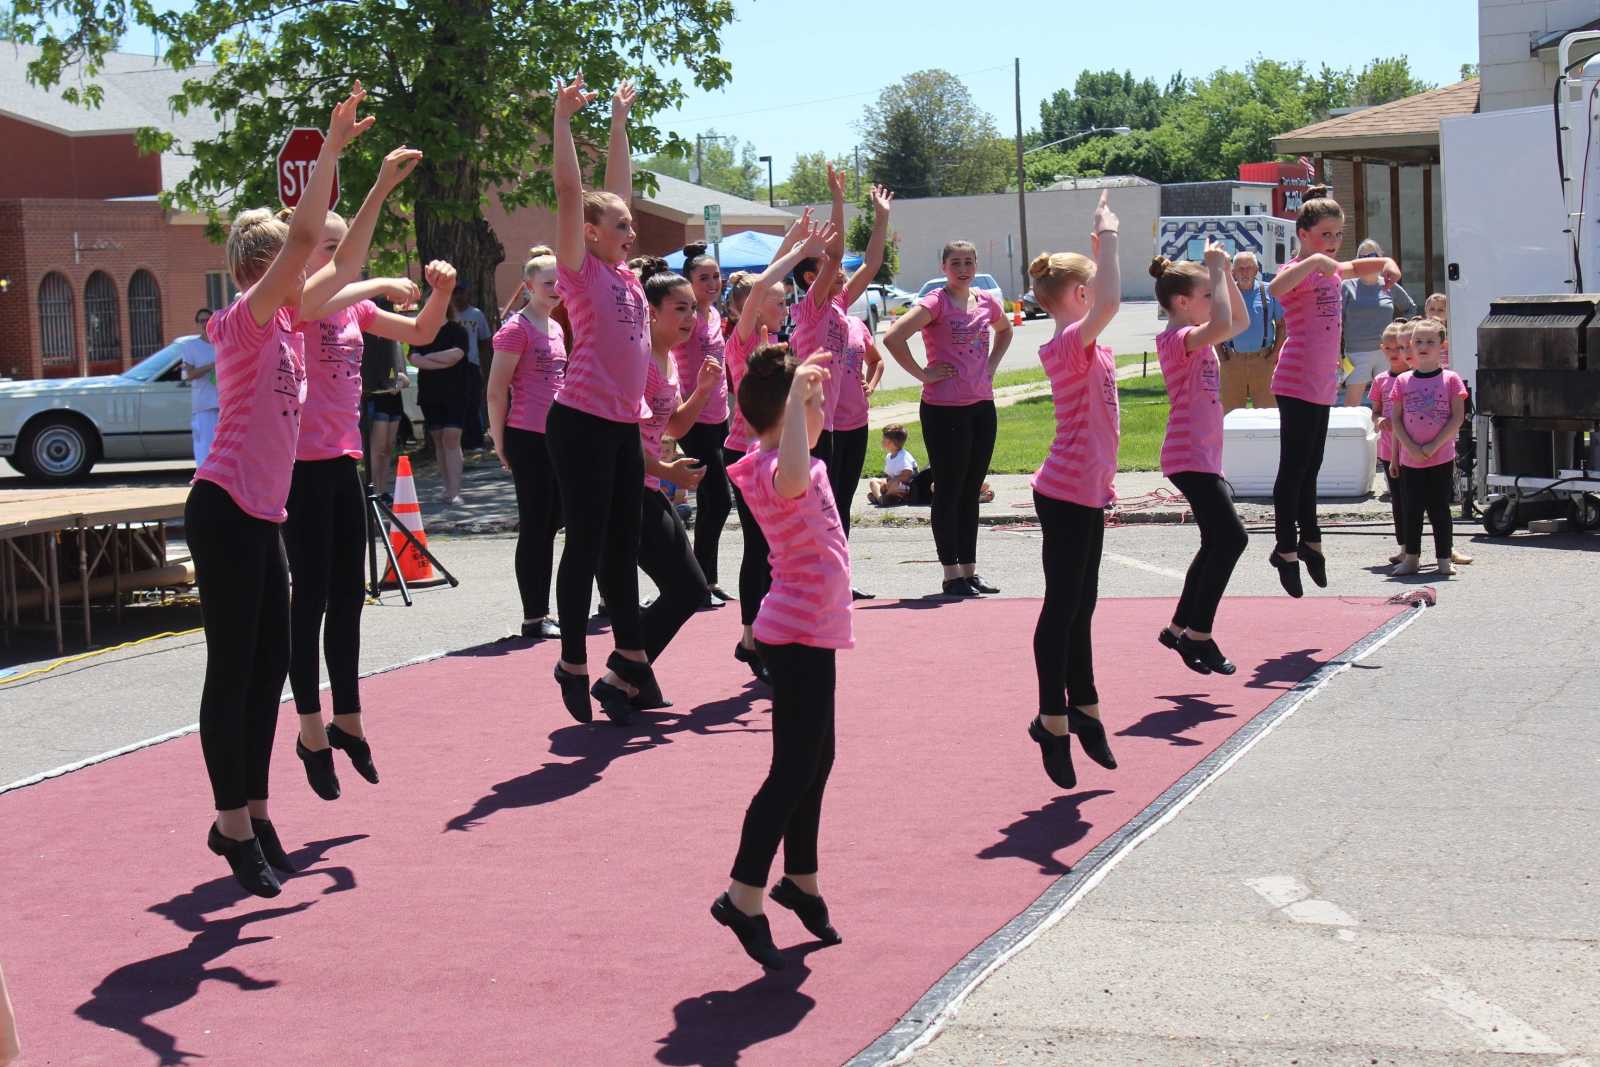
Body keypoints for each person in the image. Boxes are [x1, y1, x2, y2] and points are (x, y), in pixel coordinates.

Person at [185, 84, 381, 897]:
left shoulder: (294, 322)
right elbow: (307, 239)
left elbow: (346, 262)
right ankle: (229, 820)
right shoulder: (246, 318)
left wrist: (378, 188)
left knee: (268, 668)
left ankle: (257, 812)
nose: (312, 271)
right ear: (261, 271)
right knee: (233, 668)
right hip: (224, 507)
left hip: (263, 514)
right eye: (296, 265)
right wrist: (330, 149)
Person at [285, 205, 455, 803]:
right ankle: (310, 730)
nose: (341, 257)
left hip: (343, 462)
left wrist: (441, 292)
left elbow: (420, 333)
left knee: (349, 597)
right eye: (329, 247)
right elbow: (313, 302)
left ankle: (349, 720)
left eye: (344, 246)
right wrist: (379, 279)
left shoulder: (353, 307)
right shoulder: (290, 301)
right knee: (308, 600)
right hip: (298, 468)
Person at [713, 344, 851, 971]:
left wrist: (798, 396)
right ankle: (743, 895)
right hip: (795, 637)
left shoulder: (799, 463)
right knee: (792, 770)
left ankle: (801, 879)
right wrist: (797, 401)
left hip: (813, 634)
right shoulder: (773, 468)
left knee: (817, 759)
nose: (824, 413)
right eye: (815, 405)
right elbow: (790, 469)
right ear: (789, 413)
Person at [546, 76, 665, 723]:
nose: (631, 229)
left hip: (621, 424)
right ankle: (572, 659)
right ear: (589, 234)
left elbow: (618, 190)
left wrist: (619, 122)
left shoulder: (623, 274)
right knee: (587, 543)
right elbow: (574, 193)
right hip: (581, 422)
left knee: (624, 543)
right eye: (620, 225)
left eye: (631, 224)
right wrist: (563, 120)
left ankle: (631, 656)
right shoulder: (580, 268)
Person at [587, 261, 725, 724]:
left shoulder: (667, 359)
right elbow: (620, 440)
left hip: (645, 485)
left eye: (693, 309)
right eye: (680, 308)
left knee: (688, 588)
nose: (690, 317)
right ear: (652, 311)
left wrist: (703, 390)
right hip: (622, 489)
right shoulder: (639, 360)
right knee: (688, 588)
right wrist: (667, 470)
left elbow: (675, 426)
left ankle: (628, 678)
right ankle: (623, 676)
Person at [1025, 191, 1122, 792]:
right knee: (1062, 606)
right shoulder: (1065, 344)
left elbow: (1102, 299)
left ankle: (1084, 705)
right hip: (1063, 492)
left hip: (1087, 491)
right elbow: (1110, 300)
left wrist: (1097, 251)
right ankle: (1051, 719)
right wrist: (1108, 235)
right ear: (1080, 296)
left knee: (1083, 603)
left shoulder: (1090, 345)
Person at [1265, 187, 1401, 598]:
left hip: (1322, 381)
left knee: (1312, 467)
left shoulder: (1331, 268)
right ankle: (1285, 548)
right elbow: (1275, 289)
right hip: (1296, 378)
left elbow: (1359, 264)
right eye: (1325, 234)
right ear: (1303, 234)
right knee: (1293, 468)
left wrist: (1387, 262)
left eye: (1338, 234)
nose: (1333, 241)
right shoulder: (1299, 268)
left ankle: (1311, 540)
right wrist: (1316, 261)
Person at [720, 214, 834, 684]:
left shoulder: (772, 339)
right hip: (746, 453)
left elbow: (766, 281)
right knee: (759, 547)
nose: (786, 307)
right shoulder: (743, 340)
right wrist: (800, 249)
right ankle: (752, 638)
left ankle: (765, 634)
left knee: (775, 546)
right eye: (780, 301)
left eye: (788, 301)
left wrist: (794, 241)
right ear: (750, 306)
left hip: (774, 451)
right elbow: (764, 283)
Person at [880, 232, 1013, 598]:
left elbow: (1005, 331)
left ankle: (969, 571)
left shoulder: (986, 301)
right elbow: (893, 337)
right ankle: (951, 573)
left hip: (981, 406)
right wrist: (923, 374)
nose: (963, 269)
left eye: (969, 262)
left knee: (971, 490)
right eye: (956, 263)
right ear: (944, 267)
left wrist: (991, 365)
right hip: (943, 410)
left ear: (977, 265)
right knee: (949, 491)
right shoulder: (935, 302)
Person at [1152, 244, 1250, 676]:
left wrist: (1223, 274)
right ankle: (1198, 635)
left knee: (1216, 542)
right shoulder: (1178, 340)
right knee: (1232, 539)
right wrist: (1214, 267)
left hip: (1203, 456)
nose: (1213, 301)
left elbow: (1240, 322)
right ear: (1181, 302)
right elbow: (1226, 323)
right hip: (1187, 455)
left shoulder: (1196, 334)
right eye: (1206, 295)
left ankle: (1177, 628)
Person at [795, 181, 891, 600]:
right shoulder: (812, 310)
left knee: (842, 502)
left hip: (852, 423)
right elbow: (834, 255)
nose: (840, 270)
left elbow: (871, 263)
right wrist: (837, 200)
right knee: (820, 504)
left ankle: (838, 577)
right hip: (820, 426)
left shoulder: (842, 310)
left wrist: (881, 217)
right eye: (829, 268)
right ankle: (813, 579)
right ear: (812, 278)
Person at [489, 246, 568, 641]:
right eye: (548, 283)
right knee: (536, 526)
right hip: (527, 436)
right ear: (528, 287)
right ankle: (534, 615)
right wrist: (500, 441)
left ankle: (547, 610)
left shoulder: (555, 327)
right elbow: (496, 391)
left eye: (559, 282)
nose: (555, 289)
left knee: (555, 521)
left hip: (557, 438)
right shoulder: (516, 329)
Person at [673, 243, 736, 604]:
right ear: (689, 282)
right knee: (719, 500)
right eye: (703, 278)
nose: (712, 283)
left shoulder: (714, 313)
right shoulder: (688, 316)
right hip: (693, 415)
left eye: (716, 277)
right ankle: (699, 581)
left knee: (714, 502)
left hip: (719, 415)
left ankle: (705, 581)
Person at [1389, 318, 1467, 577]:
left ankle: (1444, 558)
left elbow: (1457, 417)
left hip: (1441, 456)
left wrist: (1434, 445)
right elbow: (1396, 419)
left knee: (1439, 509)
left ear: (1441, 345)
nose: (1424, 346)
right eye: (1419, 341)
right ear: (1411, 345)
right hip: (1411, 459)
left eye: (1430, 342)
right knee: (1411, 509)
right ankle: (1411, 558)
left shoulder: (1451, 379)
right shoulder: (1402, 381)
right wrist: (1409, 448)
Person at [1339, 238, 1415, 406]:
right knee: (1351, 405)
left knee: (1390, 403)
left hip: (1387, 352)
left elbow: (1410, 308)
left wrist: (1400, 331)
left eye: (1371, 256)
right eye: (1362, 257)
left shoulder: (1389, 285)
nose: (1367, 261)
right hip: (1356, 354)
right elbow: (1336, 320)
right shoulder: (1346, 286)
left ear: (1380, 259)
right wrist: (1337, 352)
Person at [360, 296, 411, 499]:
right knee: (377, 447)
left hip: (394, 399)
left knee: (389, 447)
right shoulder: (369, 339)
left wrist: (399, 381)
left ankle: (382, 488)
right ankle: (373, 489)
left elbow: (402, 374)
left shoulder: (394, 341)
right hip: (377, 397)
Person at [1220, 252, 1282, 413]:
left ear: (1256, 270)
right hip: (1232, 360)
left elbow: (1282, 325)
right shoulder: (1224, 293)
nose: (1245, 272)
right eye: (1240, 268)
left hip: (1263, 360)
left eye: (1249, 268)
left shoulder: (1270, 291)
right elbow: (1215, 325)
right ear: (1233, 272)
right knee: (1229, 415)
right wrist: (1221, 356)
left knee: (1268, 413)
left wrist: (1274, 354)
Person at [1367, 322, 1409, 564]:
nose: (1394, 353)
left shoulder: (1414, 377)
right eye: (1389, 348)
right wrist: (1380, 419)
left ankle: (1445, 547)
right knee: (1399, 501)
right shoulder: (1380, 380)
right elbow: (1375, 412)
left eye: (1399, 348)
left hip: (1413, 450)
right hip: (1388, 450)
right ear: (1382, 348)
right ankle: (1404, 547)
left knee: (1428, 501)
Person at [452, 285, 492, 452]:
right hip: (451, 366)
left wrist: (480, 361)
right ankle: (458, 443)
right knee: (455, 404)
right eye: (455, 293)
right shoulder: (448, 314)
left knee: (473, 403)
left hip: (471, 364)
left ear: (468, 294)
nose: (459, 297)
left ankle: (476, 441)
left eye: (462, 293)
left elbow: (485, 340)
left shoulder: (476, 314)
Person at [178, 327, 219, 466]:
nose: (205, 323)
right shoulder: (191, 346)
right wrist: (210, 366)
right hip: (204, 407)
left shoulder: (224, 342)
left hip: (227, 406)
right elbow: (187, 375)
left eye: (208, 319)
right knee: (205, 452)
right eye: (202, 320)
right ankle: (204, 478)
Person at [867, 423, 918, 505]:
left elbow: (907, 475)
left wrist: (893, 481)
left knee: (895, 485)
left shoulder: (904, 456)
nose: (882, 440)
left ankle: (884, 497)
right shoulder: (889, 456)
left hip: (908, 487)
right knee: (873, 481)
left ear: (893, 442)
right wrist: (885, 483)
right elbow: (890, 475)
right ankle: (881, 499)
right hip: (893, 484)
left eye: (884, 438)